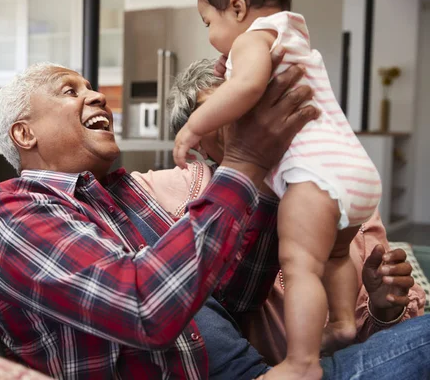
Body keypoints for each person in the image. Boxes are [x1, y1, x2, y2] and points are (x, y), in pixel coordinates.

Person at [0, 58, 430, 380]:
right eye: (70, 91)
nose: (96, 97)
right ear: (24, 133)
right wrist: (244, 164)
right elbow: (142, 308)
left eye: (93, 87)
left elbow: (234, 299)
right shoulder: (16, 209)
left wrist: (260, 181)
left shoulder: (123, 197)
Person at [173, 0, 382, 378]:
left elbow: (247, 86)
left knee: (300, 264)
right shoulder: (293, 33)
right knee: (336, 254)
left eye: (207, 22)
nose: (210, 35)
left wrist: (194, 126)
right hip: (354, 169)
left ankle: (302, 363)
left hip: (315, 175)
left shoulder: (252, 40)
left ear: (237, 8)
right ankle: (341, 322)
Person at [166, 58, 426, 366]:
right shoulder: (193, 202)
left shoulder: (331, 189)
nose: (237, 116)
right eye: (217, 109)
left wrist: (384, 309)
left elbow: (379, 341)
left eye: (242, 101)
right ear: (199, 145)